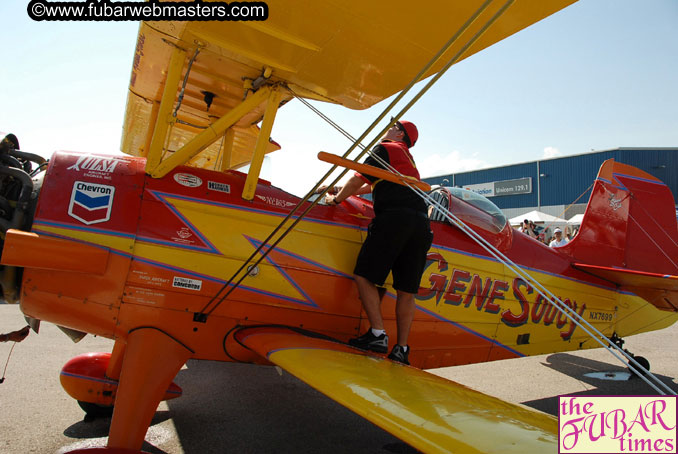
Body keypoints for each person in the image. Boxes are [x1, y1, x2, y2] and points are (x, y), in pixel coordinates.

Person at [326, 120, 433, 365]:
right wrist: (338, 189)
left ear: (400, 134)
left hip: (395, 218)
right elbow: (370, 184)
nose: (389, 127)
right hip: (420, 226)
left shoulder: (385, 148)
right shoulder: (407, 159)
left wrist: (335, 200)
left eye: (394, 124)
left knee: (363, 275)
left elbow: (356, 181)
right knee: (407, 291)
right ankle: (402, 349)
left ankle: (377, 334)